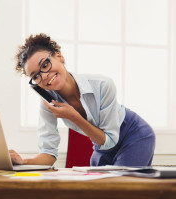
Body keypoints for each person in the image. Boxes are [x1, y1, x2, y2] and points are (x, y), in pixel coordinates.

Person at [10, 33, 155, 167]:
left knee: (121, 188)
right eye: (35, 76)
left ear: (59, 57)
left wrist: (74, 117)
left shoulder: (102, 85)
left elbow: (110, 140)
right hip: (101, 146)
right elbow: (49, 153)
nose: (44, 76)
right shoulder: (48, 104)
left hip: (133, 134)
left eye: (45, 65)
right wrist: (23, 161)